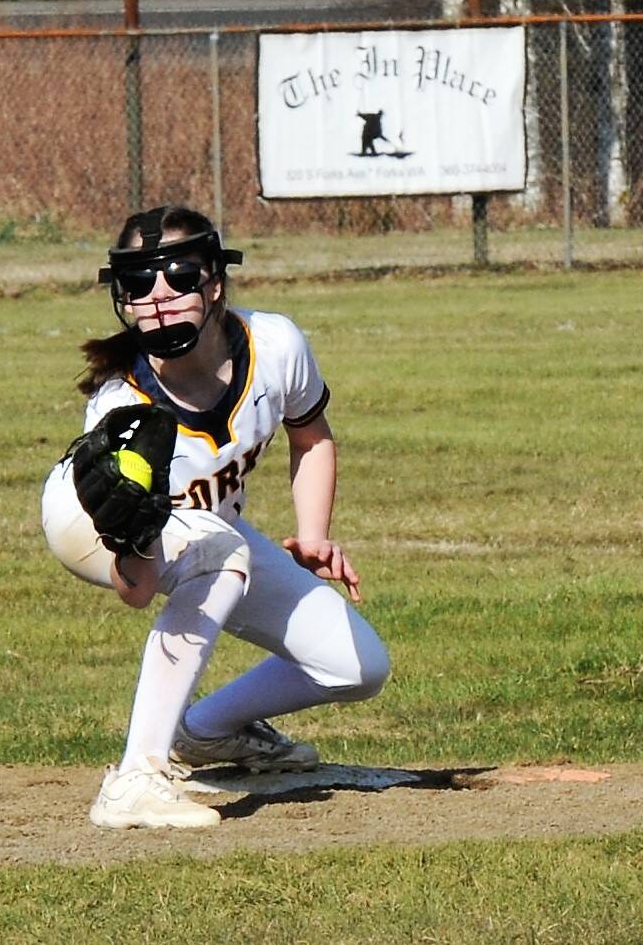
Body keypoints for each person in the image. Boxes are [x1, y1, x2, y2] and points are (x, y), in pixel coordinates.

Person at [41, 206, 390, 829]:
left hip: (210, 527)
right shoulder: (123, 406)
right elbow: (136, 588)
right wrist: (132, 548)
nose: (159, 297)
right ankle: (136, 778)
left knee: (356, 664)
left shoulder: (274, 344)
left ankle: (204, 733)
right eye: (139, 284)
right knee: (219, 552)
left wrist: (312, 536)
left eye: (177, 274)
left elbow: (311, 435)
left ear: (215, 282)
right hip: (92, 528)